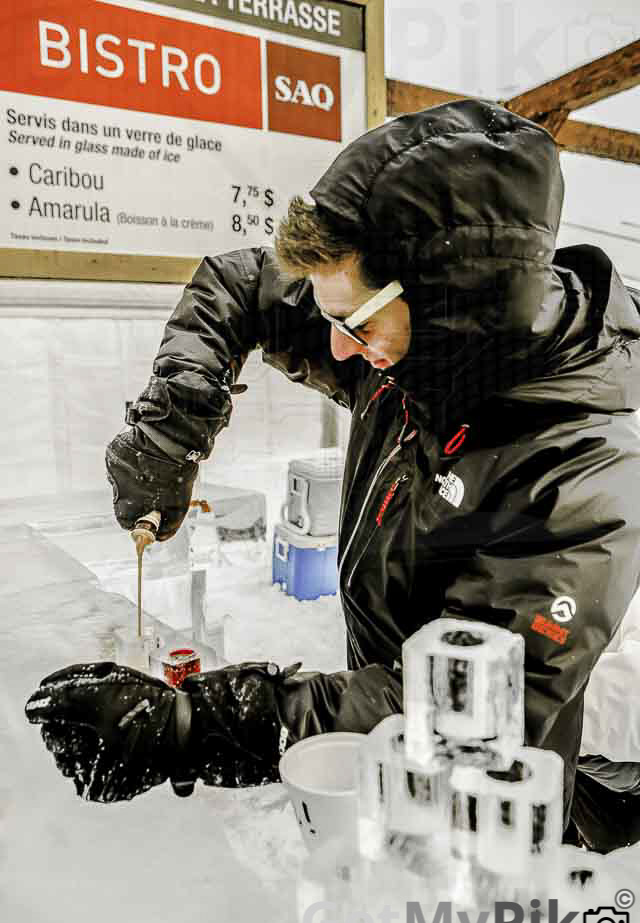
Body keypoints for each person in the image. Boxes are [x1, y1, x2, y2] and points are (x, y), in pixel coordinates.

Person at [26, 99, 640, 853]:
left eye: (358, 326)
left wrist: (195, 725)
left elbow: (468, 712)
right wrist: (171, 427)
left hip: (485, 817)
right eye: (334, 322)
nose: (342, 351)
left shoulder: (579, 473)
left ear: (459, 307)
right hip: (374, 751)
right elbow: (240, 284)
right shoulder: (414, 348)